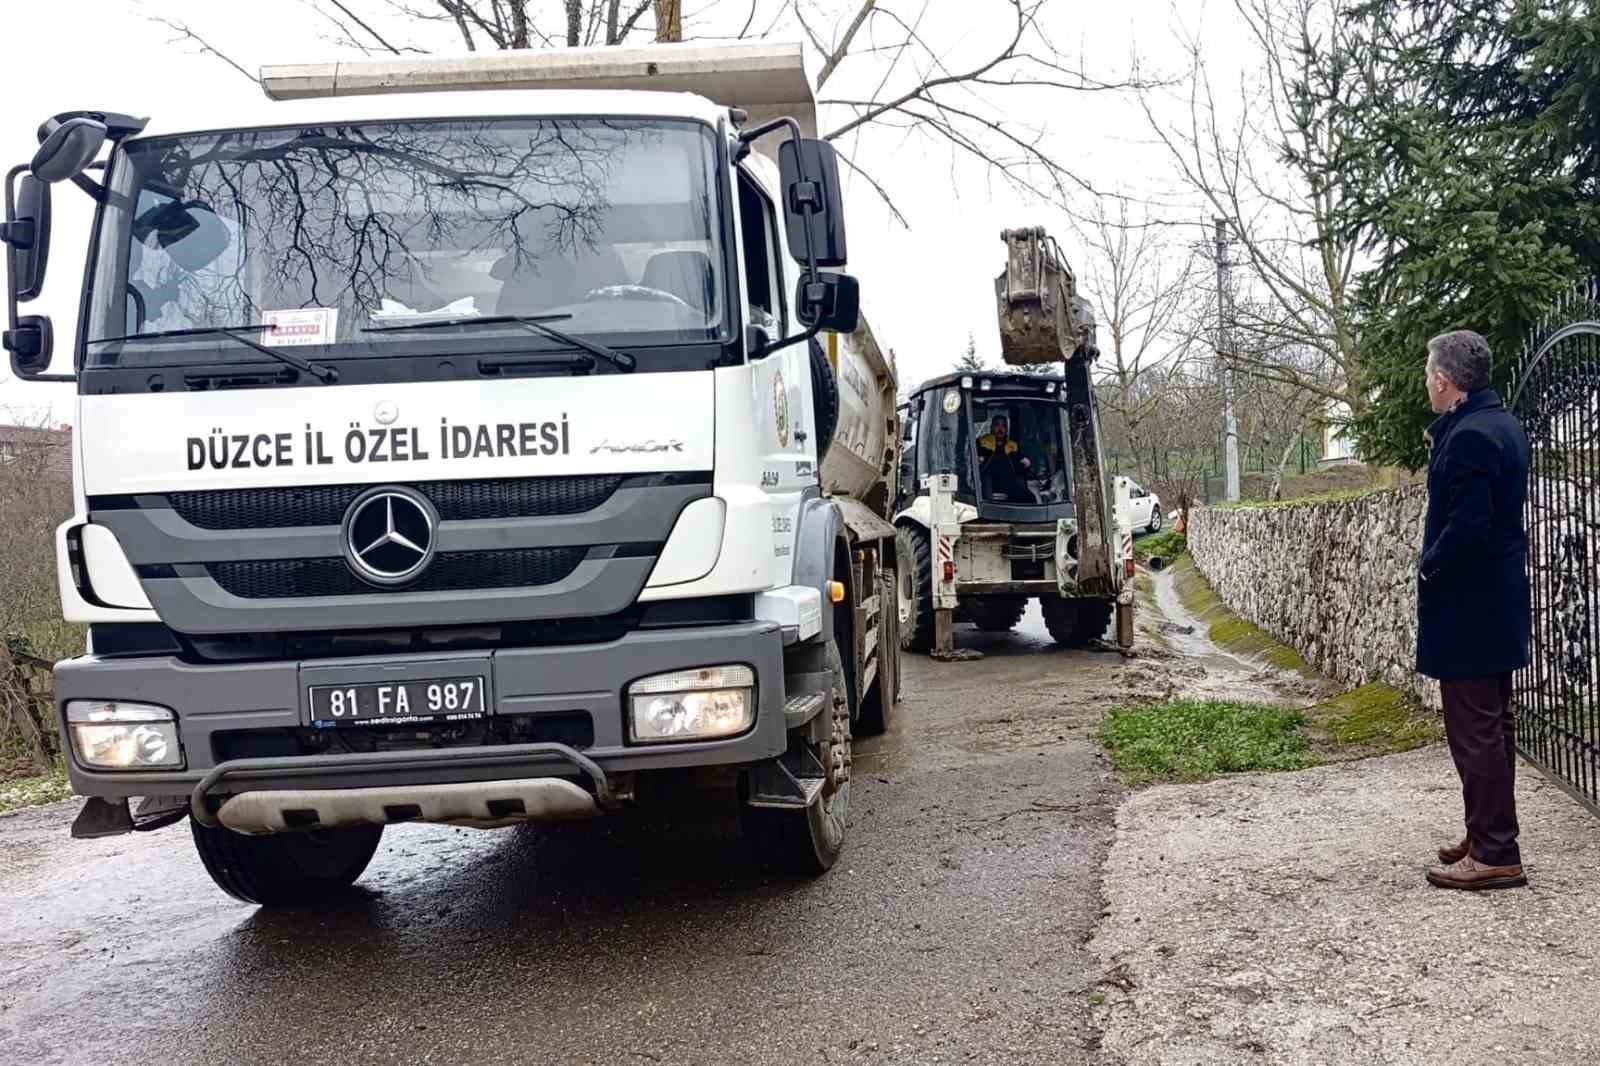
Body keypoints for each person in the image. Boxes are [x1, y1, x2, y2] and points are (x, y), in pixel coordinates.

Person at [1417, 330, 1531, 891]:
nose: (1426, 384)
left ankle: (1495, 851)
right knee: (1493, 727)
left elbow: (1469, 526)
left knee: (1477, 731)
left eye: (1428, 375)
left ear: (1445, 380)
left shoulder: (1469, 436)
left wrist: (1428, 566)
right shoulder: (1502, 425)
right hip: (1495, 601)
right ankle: (1486, 832)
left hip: (1470, 607)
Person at [977, 414, 1032, 500]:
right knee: (986, 476)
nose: (1000, 429)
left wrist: (1026, 464)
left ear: (1006, 429)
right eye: (997, 425)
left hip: (1008, 480)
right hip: (988, 481)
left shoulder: (1012, 446)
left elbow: (1020, 465)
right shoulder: (982, 442)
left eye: (1003, 426)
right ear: (991, 427)